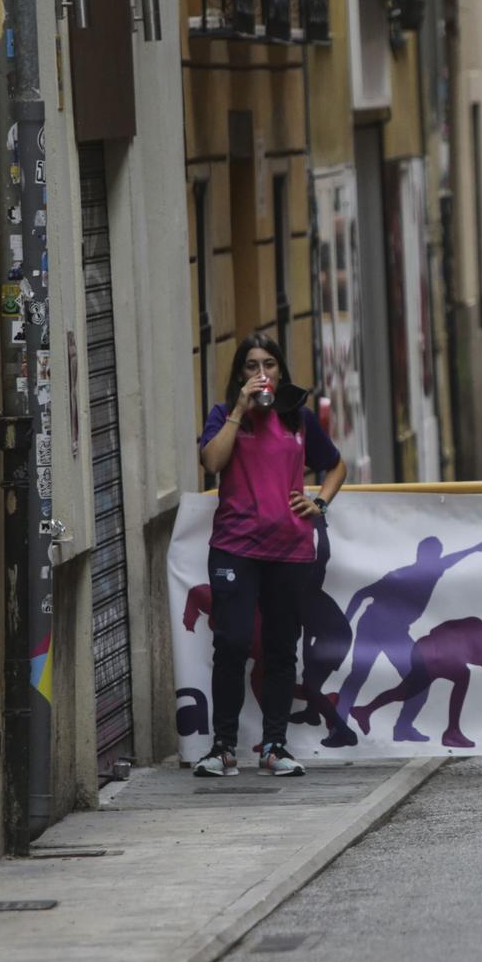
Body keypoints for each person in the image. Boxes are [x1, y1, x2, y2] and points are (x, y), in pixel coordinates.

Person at [193, 334, 346, 779]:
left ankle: (275, 744)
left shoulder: (297, 419)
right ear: (240, 375)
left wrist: (320, 502)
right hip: (235, 547)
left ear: (281, 372)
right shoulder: (225, 416)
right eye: (251, 366)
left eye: (269, 364)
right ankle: (222, 748)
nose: (261, 372)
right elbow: (211, 462)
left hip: (290, 550)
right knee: (233, 642)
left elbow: (335, 464)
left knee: (281, 648)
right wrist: (240, 410)